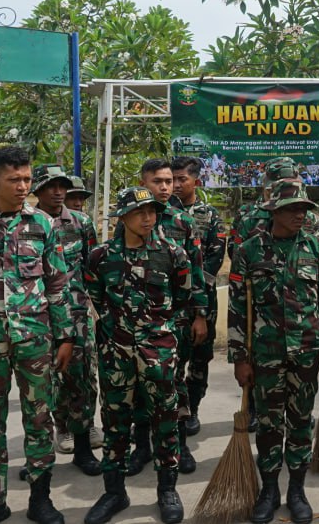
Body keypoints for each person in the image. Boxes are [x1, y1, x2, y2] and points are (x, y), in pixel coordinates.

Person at [0, 146, 75, 524]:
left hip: (35, 337)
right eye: (14, 180)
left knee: (39, 419)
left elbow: (57, 282)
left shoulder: (43, 224)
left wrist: (65, 336)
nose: (23, 186)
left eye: (26, 179)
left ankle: (40, 499)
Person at [228, 180, 319, 524]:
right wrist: (239, 358)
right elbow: (237, 308)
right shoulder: (249, 251)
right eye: (292, 208)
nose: (300, 214)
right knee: (268, 424)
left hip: (307, 351)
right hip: (265, 354)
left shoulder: (315, 247)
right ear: (273, 211)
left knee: (301, 421)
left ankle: (297, 490)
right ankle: (269, 490)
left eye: (304, 208)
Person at [83, 186, 192, 524]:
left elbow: (182, 298)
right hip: (115, 353)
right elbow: (96, 298)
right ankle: (114, 492)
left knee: (165, 421)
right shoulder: (101, 257)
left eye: (152, 212)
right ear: (123, 217)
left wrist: (159, 335)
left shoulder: (172, 254)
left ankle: (167, 490)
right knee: (115, 424)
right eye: (139, 212)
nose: (148, 218)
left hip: (158, 352)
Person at [138, 158, 207, 475]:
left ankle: (179, 445)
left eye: (169, 181)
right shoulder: (131, 218)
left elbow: (197, 271)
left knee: (175, 383)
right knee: (140, 386)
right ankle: (142, 447)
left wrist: (199, 315)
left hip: (175, 319)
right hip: (139, 319)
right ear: (144, 183)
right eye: (158, 181)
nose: (166, 187)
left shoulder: (183, 222)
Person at [31, 164, 101, 475]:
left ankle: (84, 447)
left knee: (81, 378)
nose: (58, 192)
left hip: (75, 314)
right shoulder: (25, 224)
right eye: (51, 186)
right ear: (37, 190)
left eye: (62, 185)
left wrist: (96, 308)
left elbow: (92, 267)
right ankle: (49, 443)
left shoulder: (81, 223)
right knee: (43, 383)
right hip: (37, 315)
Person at [169, 156, 226, 438]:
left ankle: (192, 408)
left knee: (200, 356)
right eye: (173, 179)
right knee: (172, 358)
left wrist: (194, 288)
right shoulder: (159, 213)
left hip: (203, 300)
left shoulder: (209, 215)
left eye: (182, 179)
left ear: (196, 181)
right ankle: (172, 411)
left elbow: (215, 257)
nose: (176, 185)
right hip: (170, 300)